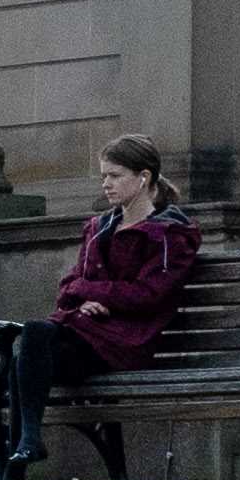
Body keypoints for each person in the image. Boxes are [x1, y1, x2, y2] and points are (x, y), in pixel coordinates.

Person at [48, 132, 198, 370]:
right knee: (23, 356)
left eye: (115, 176)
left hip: (127, 342)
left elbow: (146, 295)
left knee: (31, 352)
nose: (106, 184)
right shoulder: (99, 228)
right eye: (104, 176)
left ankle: (25, 409)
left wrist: (87, 290)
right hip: (87, 331)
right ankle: (26, 409)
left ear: (144, 177)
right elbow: (68, 288)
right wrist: (83, 303)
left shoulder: (169, 235)